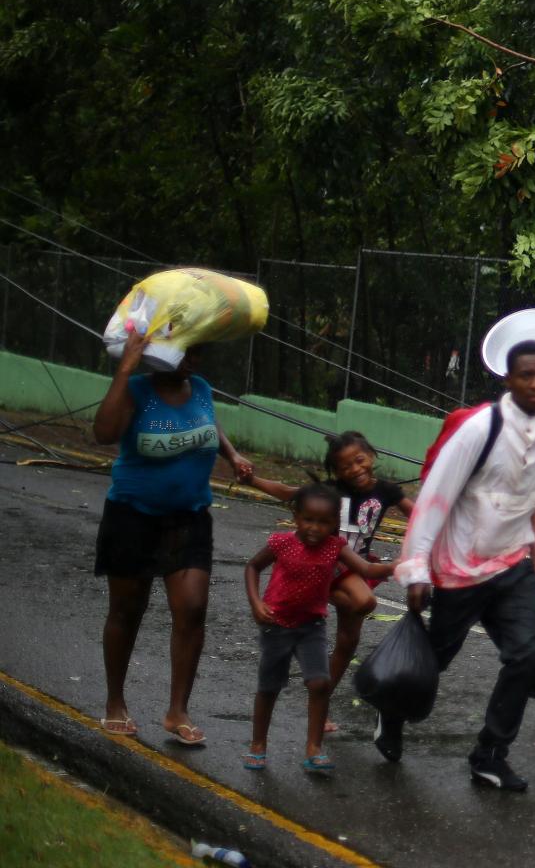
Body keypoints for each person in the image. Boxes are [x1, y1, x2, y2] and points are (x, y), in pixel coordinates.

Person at [382, 339, 535, 791]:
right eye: (525, 375)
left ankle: (490, 754)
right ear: (507, 380)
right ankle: (392, 712)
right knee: (434, 661)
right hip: (460, 567)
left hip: (513, 566)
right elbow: (436, 497)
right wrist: (415, 567)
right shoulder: (480, 429)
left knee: (527, 655)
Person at [92, 329, 253, 746]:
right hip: (133, 516)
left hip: (191, 516)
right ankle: (115, 702)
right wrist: (125, 367)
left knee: (193, 608)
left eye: (198, 351)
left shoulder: (199, 388)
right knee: (127, 611)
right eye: (185, 352)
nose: (193, 360)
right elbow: (104, 433)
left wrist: (233, 455)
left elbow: (209, 424)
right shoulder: (136, 390)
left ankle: (177, 710)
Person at [245, 431, 413, 729]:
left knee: (348, 643)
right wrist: (254, 481)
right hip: (327, 563)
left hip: (357, 566)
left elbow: (419, 514)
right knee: (365, 601)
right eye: (346, 466)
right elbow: (288, 492)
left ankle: (320, 707)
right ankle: (323, 593)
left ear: (371, 456)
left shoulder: (387, 490)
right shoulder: (330, 491)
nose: (355, 469)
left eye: (359, 460)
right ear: (336, 471)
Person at [243, 484, 395, 773]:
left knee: (320, 684)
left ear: (335, 524)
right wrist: (255, 603)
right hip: (276, 625)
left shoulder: (335, 547)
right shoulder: (281, 543)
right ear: (295, 517)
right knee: (269, 687)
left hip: (311, 626)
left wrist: (395, 566)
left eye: (324, 522)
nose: (314, 528)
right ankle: (258, 745)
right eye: (308, 520)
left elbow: (366, 569)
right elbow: (252, 567)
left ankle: (313, 749)